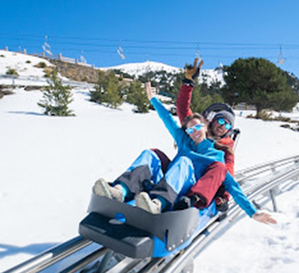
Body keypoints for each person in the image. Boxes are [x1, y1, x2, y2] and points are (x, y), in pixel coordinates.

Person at [93, 82, 276, 225]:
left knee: (184, 162)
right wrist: (153, 100)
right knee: (151, 153)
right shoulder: (184, 141)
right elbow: (168, 119)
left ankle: (158, 204)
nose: (194, 131)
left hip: (187, 190)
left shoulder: (217, 155)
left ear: (204, 126)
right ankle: (119, 190)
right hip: (170, 179)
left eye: (197, 127)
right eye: (190, 130)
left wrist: (252, 212)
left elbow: (231, 185)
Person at [175, 58, 236, 210]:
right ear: (212, 121)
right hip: (186, 173)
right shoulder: (200, 132)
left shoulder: (226, 148)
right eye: (220, 121)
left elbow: (228, 171)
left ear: (229, 130)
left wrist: (225, 197)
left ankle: (192, 200)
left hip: (205, 184)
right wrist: (188, 83)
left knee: (218, 168)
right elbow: (183, 110)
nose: (222, 126)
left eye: (227, 125)